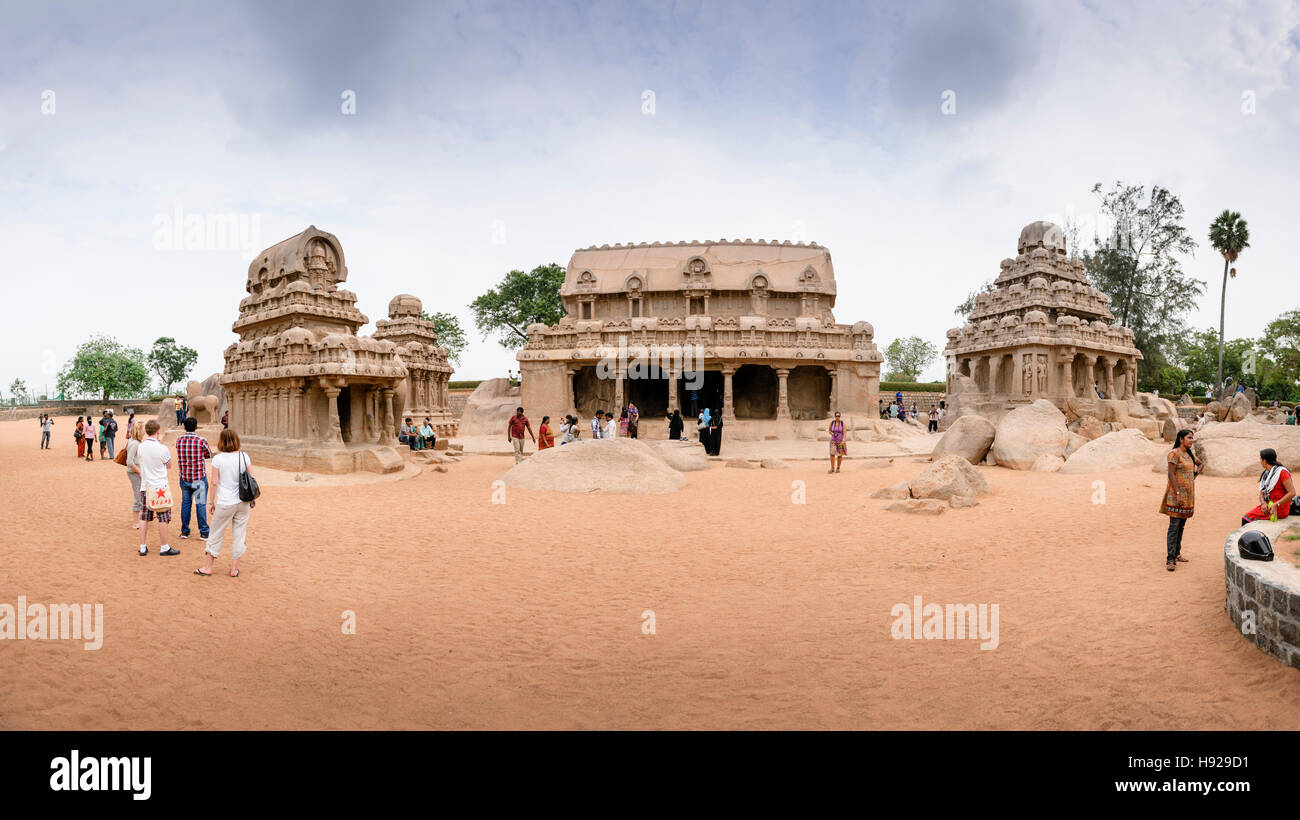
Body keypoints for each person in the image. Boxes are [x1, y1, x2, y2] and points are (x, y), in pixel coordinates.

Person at [196, 428, 254, 578]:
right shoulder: (244, 456)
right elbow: (251, 479)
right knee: (239, 534)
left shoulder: (218, 459)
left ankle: (208, 567)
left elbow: (214, 483)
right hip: (243, 502)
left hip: (226, 502)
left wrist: (211, 502)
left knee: (216, 533)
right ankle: (234, 569)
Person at [1159, 429, 1200, 572]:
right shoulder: (1174, 454)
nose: (1191, 440)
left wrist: (1193, 475)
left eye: (1192, 438)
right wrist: (1177, 492)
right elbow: (1170, 473)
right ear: (1181, 439)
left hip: (1188, 495)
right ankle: (1170, 559)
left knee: (1181, 525)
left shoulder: (1189, 454)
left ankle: (1177, 553)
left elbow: (1200, 464)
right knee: (1174, 526)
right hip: (1175, 495)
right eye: (1189, 438)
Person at [137, 419, 179, 557]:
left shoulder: (141, 447)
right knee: (163, 517)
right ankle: (164, 546)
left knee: (144, 517)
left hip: (146, 486)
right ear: (158, 431)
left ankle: (142, 546)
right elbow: (169, 465)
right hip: (160, 486)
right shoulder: (162, 448)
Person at [175, 416, 213, 541]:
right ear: (196, 426)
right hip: (198, 477)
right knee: (200, 504)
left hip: (185, 477)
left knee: (186, 504)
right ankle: (204, 532)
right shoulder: (201, 440)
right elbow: (208, 454)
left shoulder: (179, 440)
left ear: (184, 427)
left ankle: (185, 531)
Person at [1242, 448, 1296, 525]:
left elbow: (1292, 493)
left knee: (1246, 518)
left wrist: (1276, 504)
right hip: (1269, 505)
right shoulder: (1266, 474)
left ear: (1264, 461)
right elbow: (1262, 493)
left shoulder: (1282, 472)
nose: (1260, 461)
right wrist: (1263, 503)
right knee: (1249, 518)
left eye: (1260, 459)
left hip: (1279, 508)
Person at [124, 421, 146, 529]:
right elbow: (129, 461)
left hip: (136, 472)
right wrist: (139, 472)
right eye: (143, 428)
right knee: (138, 495)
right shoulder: (135, 443)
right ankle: (136, 522)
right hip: (134, 473)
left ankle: (143, 517)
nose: (145, 430)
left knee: (142, 494)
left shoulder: (134, 441)